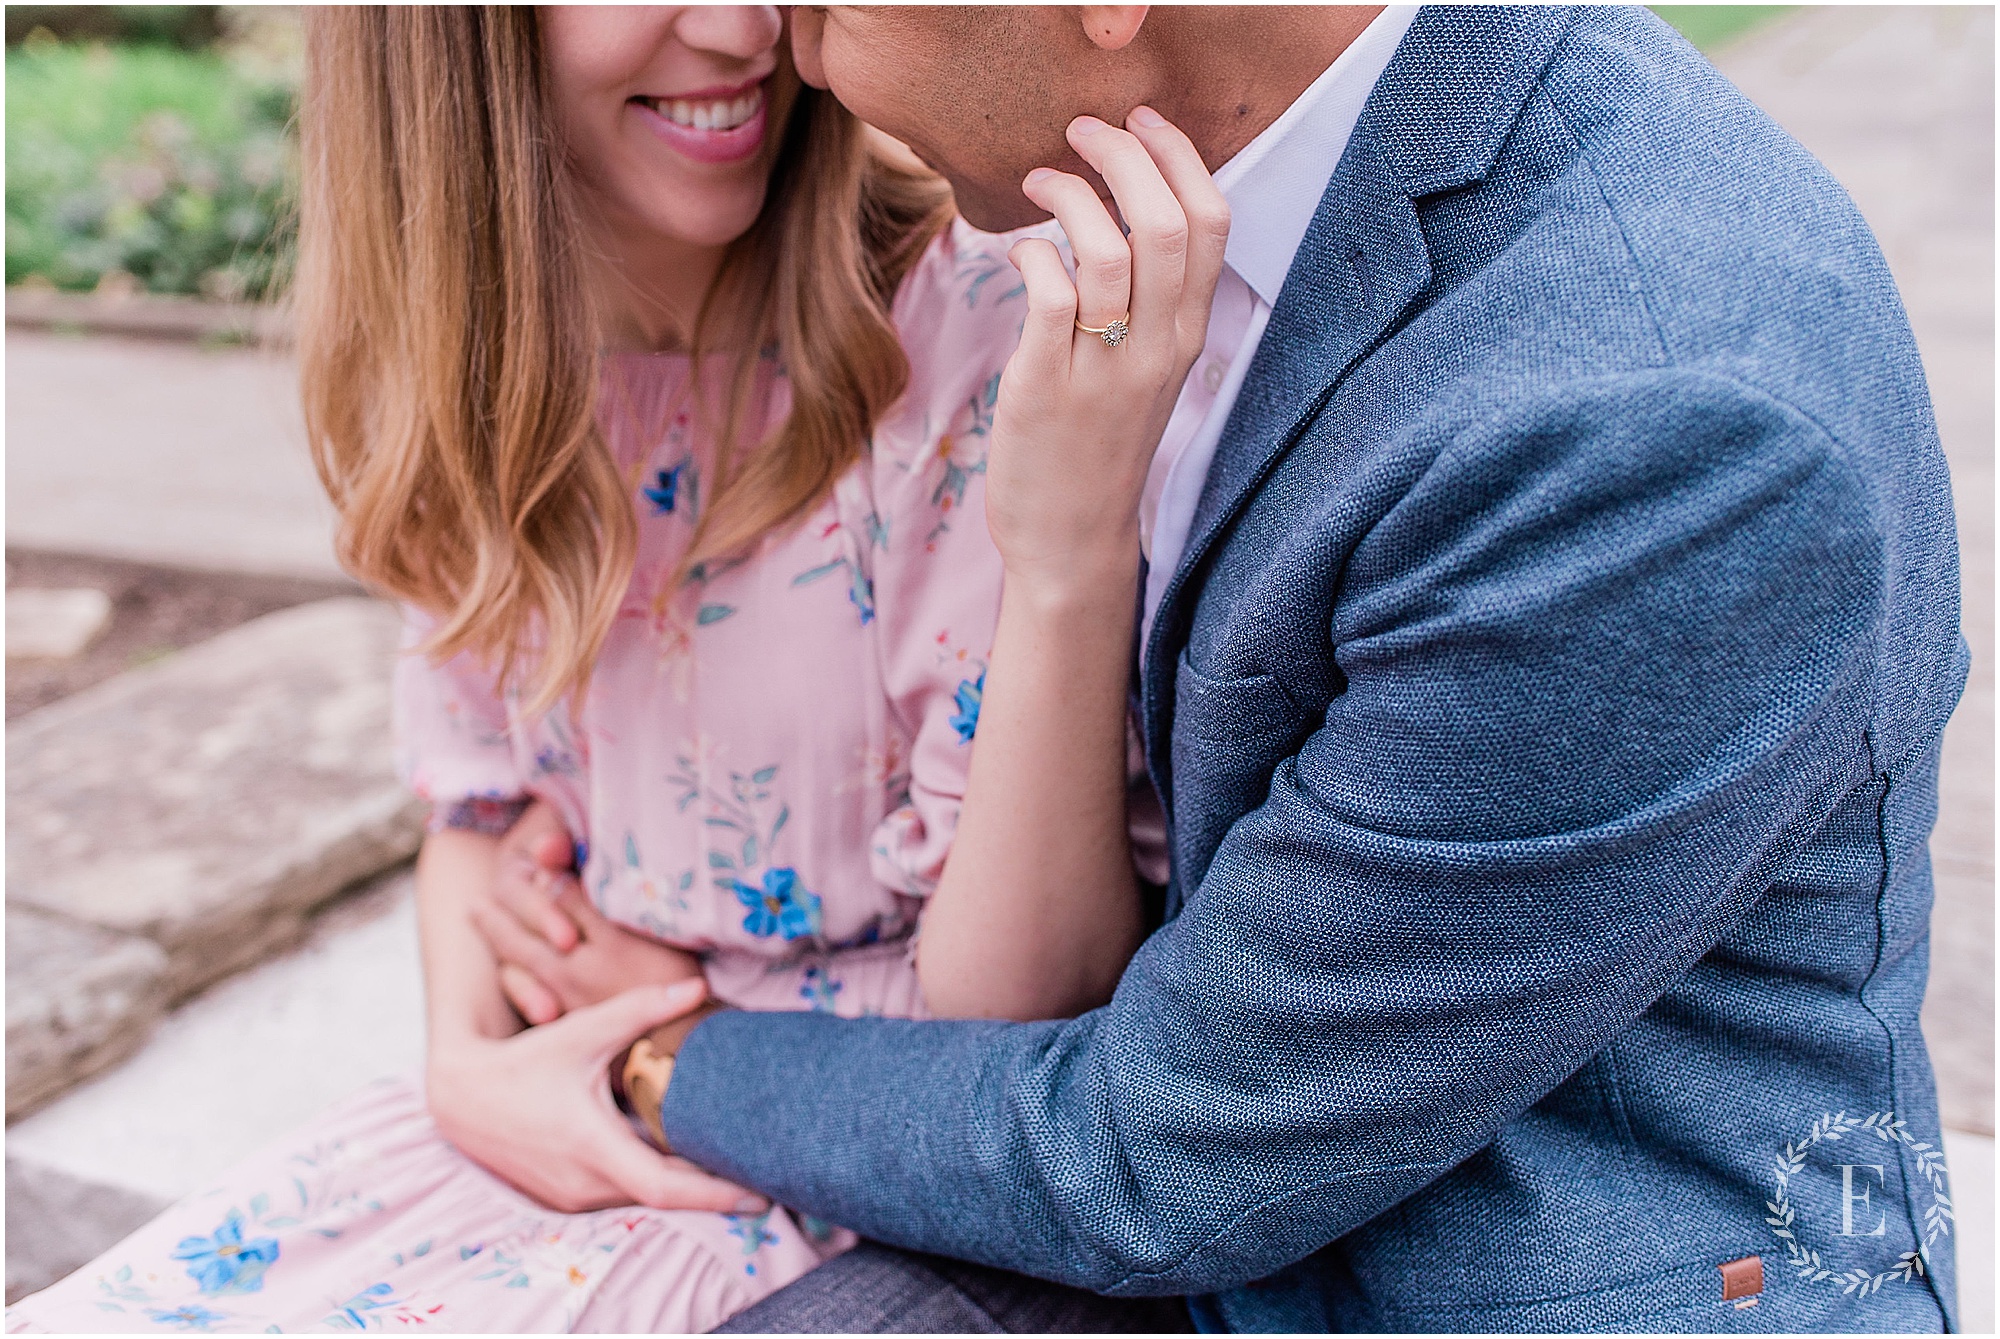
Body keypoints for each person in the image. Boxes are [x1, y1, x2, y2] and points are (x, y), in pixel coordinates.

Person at [480, 5, 1967, 1332]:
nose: (782, 40)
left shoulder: (1644, 427)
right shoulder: (1155, 190)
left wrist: (671, 1059)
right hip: (1195, 1202)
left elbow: (1158, 1158)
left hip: (1520, 1273)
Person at [5, 6, 1222, 1333]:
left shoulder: (975, 332)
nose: (741, 25)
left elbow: (1022, 1007)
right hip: (553, 1121)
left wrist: (1068, 559)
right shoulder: (482, 373)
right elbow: (477, 817)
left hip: (843, 1164)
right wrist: (467, 1067)